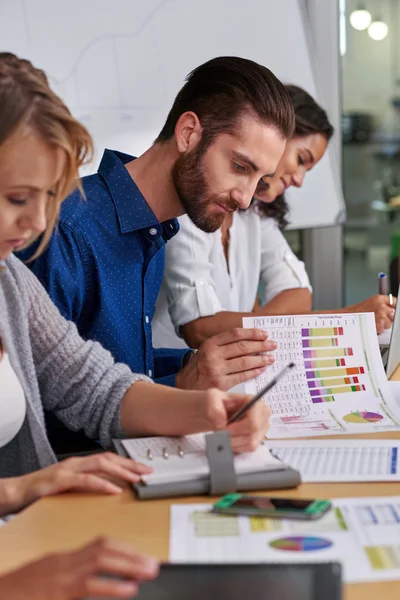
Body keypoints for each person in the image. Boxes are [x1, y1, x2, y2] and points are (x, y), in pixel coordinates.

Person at [0, 53, 269, 596]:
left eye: (47, 197)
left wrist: (207, 409)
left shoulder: (7, 276)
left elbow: (91, 383)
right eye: (17, 199)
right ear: (190, 132)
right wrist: (21, 491)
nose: (34, 224)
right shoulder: (63, 238)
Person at [20, 55, 294, 396]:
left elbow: (127, 367)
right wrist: (181, 384)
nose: (245, 199)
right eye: (239, 166)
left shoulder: (154, 231)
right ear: (189, 133)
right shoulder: (67, 230)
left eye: (260, 179)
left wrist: (193, 364)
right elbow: (35, 405)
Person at [152, 85, 395, 351]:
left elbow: (299, 293)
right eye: (301, 159)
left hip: (228, 374)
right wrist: (347, 318)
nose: (300, 180)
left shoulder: (254, 211)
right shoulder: (195, 205)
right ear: (276, 135)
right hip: (172, 375)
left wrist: (250, 328)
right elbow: (200, 327)